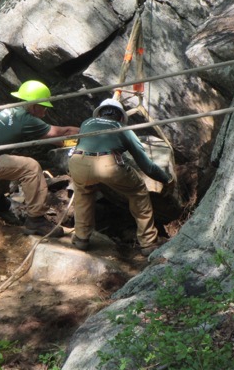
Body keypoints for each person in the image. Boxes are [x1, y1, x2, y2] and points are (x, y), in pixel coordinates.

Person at [0, 80, 79, 237]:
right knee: (30, 167)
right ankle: (36, 220)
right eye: (44, 107)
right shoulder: (26, 120)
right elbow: (62, 133)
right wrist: (91, 130)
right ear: (34, 106)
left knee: (10, 162)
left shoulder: (13, 111)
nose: (45, 112)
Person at [68, 98, 173, 256]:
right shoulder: (123, 128)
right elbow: (147, 166)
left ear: (100, 114)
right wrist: (166, 179)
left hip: (77, 162)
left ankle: (81, 238)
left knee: (83, 193)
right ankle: (148, 242)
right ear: (121, 117)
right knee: (138, 192)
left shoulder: (86, 123)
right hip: (108, 165)